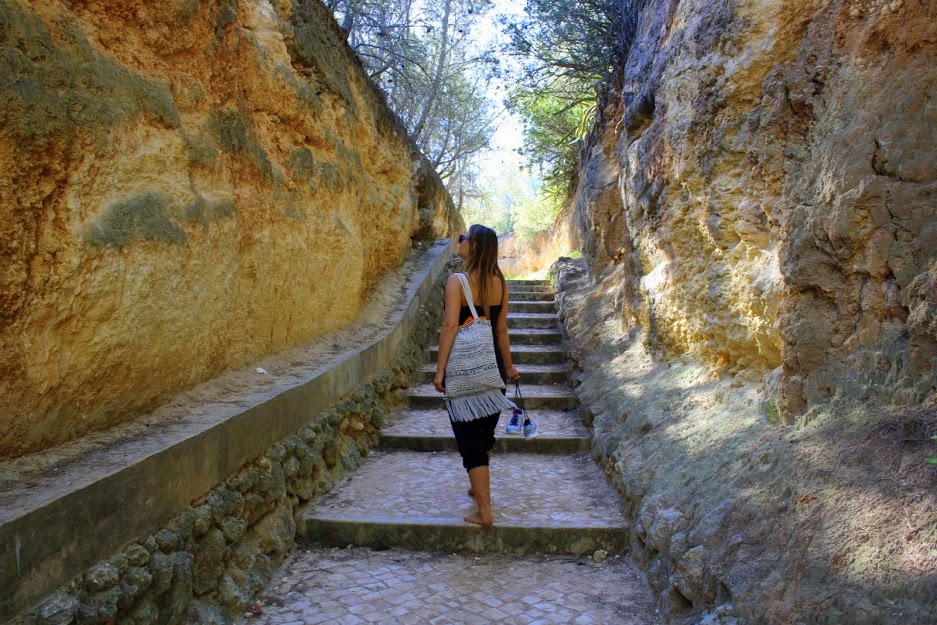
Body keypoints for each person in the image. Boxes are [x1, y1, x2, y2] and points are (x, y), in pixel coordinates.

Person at [433, 224, 520, 527]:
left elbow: (449, 326)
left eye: (464, 238)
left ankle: (484, 512)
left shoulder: (457, 281)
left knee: (469, 441)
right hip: (494, 368)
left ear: (475, 246)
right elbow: (501, 330)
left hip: (465, 369)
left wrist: (440, 368)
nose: (460, 241)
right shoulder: (501, 282)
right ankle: (477, 482)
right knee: (483, 435)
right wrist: (509, 367)